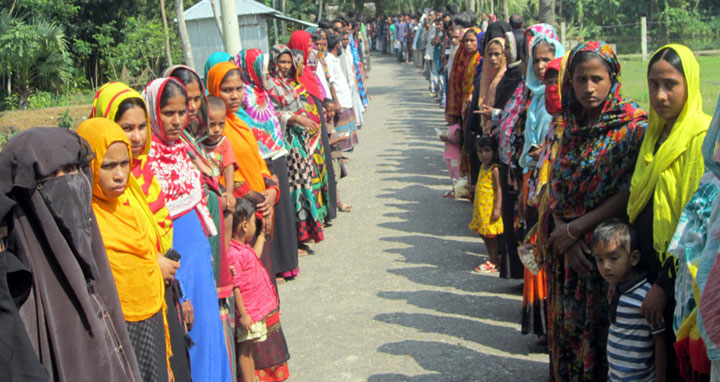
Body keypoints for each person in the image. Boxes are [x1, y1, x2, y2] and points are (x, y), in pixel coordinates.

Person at [0, 127, 142, 381]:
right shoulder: (20, 279)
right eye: (50, 176)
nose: (66, 183)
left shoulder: (91, 250)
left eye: (70, 170)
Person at [546, 41, 647, 381]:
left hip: (605, 255)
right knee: (567, 334)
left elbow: (627, 192)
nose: (589, 88)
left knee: (605, 340)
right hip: (567, 254)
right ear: (569, 82)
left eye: (597, 79)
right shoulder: (566, 125)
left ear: (612, 78)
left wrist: (576, 231)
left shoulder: (632, 127)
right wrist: (565, 234)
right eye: (579, 79)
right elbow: (555, 183)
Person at [90, 81, 192, 382]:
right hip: (129, 312)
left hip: (163, 290)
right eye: (125, 128)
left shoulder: (142, 176)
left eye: (141, 126)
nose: (135, 137)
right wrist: (152, 264)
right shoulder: (99, 189)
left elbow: (156, 232)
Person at [627, 44, 712, 381]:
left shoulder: (701, 138)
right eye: (653, 85)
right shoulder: (653, 135)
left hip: (678, 280)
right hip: (645, 268)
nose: (660, 95)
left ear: (689, 84)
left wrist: (664, 284)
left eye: (670, 85)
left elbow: (695, 225)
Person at [143, 77, 232, 382]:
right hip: (174, 256)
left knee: (208, 328)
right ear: (153, 113)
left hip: (198, 251)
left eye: (182, 112)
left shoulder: (183, 147)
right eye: (168, 113)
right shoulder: (145, 161)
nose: (178, 120)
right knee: (186, 334)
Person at [207, 61, 291, 381]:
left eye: (239, 88)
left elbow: (257, 162)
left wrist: (271, 189)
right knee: (249, 300)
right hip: (242, 222)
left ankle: (270, 369)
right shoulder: (216, 131)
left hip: (258, 213)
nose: (235, 95)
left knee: (263, 290)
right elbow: (231, 180)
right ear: (213, 90)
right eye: (226, 90)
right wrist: (257, 199)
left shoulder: (241, 122)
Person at [77, 118, 171, 382]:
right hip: (116, 323)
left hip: (151, 312)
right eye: (107, 166)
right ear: (88, 166)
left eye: (124, 163)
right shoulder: (85, 218)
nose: (120, 175)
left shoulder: (132, 203)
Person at [591, 220, 667, 382]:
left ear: (633, 258)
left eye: (613, 258)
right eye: (600, 260)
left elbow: (660, 340)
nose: (606, 266)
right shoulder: (615, 289)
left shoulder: (646, 296)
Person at [266, 44, 325, 249]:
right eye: (281, 62)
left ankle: (306, 235)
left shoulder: (287, 83)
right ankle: (297, 240)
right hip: (287, 143)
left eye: (288, 61)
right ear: (273, 63)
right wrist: (295, 119)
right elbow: (273, 114)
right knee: (294, 188)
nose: (285, 66)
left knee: (303, 184)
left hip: (298, 142)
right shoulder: (269, 84)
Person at [229, 197, 279, 382]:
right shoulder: (233, 254)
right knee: (245, 349)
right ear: (243, 226)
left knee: (249, 348)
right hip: (248, 310)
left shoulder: (242, 249)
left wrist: (262, 236)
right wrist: (243, 313)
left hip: (253, 310)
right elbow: (235, 286)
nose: (253, 226)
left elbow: (255, 256)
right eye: (252, 223)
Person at [468, 135, 503, 273]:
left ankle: (493, 260)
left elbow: (499, 189)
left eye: (487, 150)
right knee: (483, 234)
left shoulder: (495, 169)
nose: (484, 155)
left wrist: (498, 208)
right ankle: (492, 257)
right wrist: (473, 187)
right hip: (481, 209)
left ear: (494, 151)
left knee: (491, 235)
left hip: (490, 209)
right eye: (480, 151)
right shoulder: (483, 167)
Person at [200, 95, 237, 214]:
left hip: (218, 189)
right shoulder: (196, 144)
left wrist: (229, 193)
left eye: (221, 124)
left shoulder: (224, 144)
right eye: (212, 125)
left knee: (228, 213)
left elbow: (228, 167)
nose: (217, 130)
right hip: (204, 190)